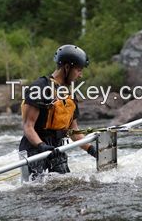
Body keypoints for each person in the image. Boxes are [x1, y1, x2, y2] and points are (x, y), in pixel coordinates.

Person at [19, 44, 97, 180]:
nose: (80, 75)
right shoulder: (39, 88)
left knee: (65, 190)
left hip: (57, 148)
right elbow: (28, 126)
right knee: (38, 192)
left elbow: (73, 131)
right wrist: (42, 146)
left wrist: (91, 149)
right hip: (35, 149)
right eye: (78, 70)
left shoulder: (70, 95)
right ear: (67, 67)